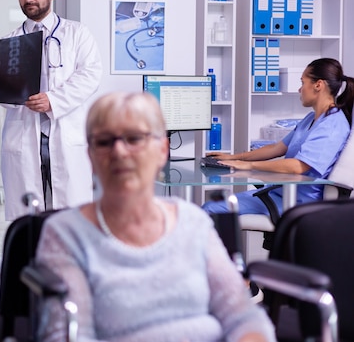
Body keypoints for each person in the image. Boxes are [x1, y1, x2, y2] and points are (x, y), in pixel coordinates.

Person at [35, 91, 275, 342]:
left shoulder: (192, 223)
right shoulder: (65, 234)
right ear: (91, 156)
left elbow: (242, 315)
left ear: (162, 149)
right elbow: (67, 335)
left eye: (134, 138)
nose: (119, 152)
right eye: (104, 142)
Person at [1, 0, 102, 220]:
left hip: (66, 134)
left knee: (70, 218)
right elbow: (0, 91)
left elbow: (90, 75)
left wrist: (52, 100)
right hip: (24, 137)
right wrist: (15, 95)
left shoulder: (78, 34)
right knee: (28, 219)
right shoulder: (10, 41)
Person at [203, 58, 354, 215]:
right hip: (280, 193)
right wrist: (234, 158)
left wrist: (249, 165)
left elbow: (298, 166)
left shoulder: (333, 125)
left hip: (299, 203)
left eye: (303, 82)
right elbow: (277, 148)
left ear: (318, 85)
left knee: (211, 209)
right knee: (212, 205)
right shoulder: (311, 118)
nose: (300, 89)